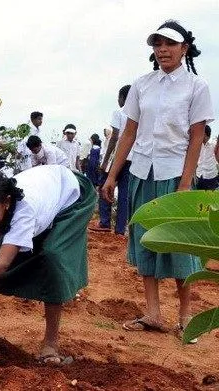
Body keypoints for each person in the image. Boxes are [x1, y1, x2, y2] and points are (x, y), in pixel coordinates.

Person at [101, 20, 213, 341]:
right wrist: (111, 175)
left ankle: (186, 317)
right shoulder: (142, 84)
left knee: (179, 244)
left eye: (169, 44)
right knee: (144, 241)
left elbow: (196, 139)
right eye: (157, 44)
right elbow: (129, 133)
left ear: (184, 48)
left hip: (174, 174)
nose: (162, 49)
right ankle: (152, 313)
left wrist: (185, 183)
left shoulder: (196, 87)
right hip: (141, 173)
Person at [0, 165, 96, 365]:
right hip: (46, 195)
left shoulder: (24, 210)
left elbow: (2, 265)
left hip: (72, 198)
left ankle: (50, 343)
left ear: (6, 202)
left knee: (53, 256)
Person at [92, 85, 132, 234]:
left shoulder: (119, 112)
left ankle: (105, 222)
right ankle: (121, 228)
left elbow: (114, 137)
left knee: (105, 186)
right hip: (132, 159)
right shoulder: (138, 114)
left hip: (118, 157)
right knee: (124, 195)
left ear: (122, 98)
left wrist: (105, 161)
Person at [195, 125, 217, 190]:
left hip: (211, 176)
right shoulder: (198, 145)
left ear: (206, 135)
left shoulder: (214, 145)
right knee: (199, 196)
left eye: (201, 133)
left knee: (210, 197)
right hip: (199, 175)